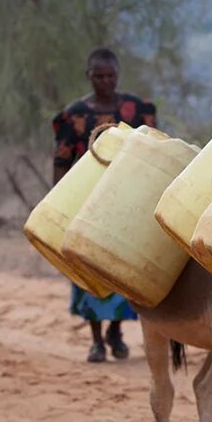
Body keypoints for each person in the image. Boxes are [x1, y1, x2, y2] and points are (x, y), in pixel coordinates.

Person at [52, 47, 158, 363]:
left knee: (121, 270)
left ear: (118, 75)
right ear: (89, 76)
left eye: (110, 75)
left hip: (126, 206)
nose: (105, 81)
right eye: (99, 76)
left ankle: (115, 329)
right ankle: (97, 339)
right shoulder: (74, 115)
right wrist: (60, 203)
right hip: (86, 205)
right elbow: (61, 161)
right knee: (88, 270)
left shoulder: (138, 110)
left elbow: (154, 152)